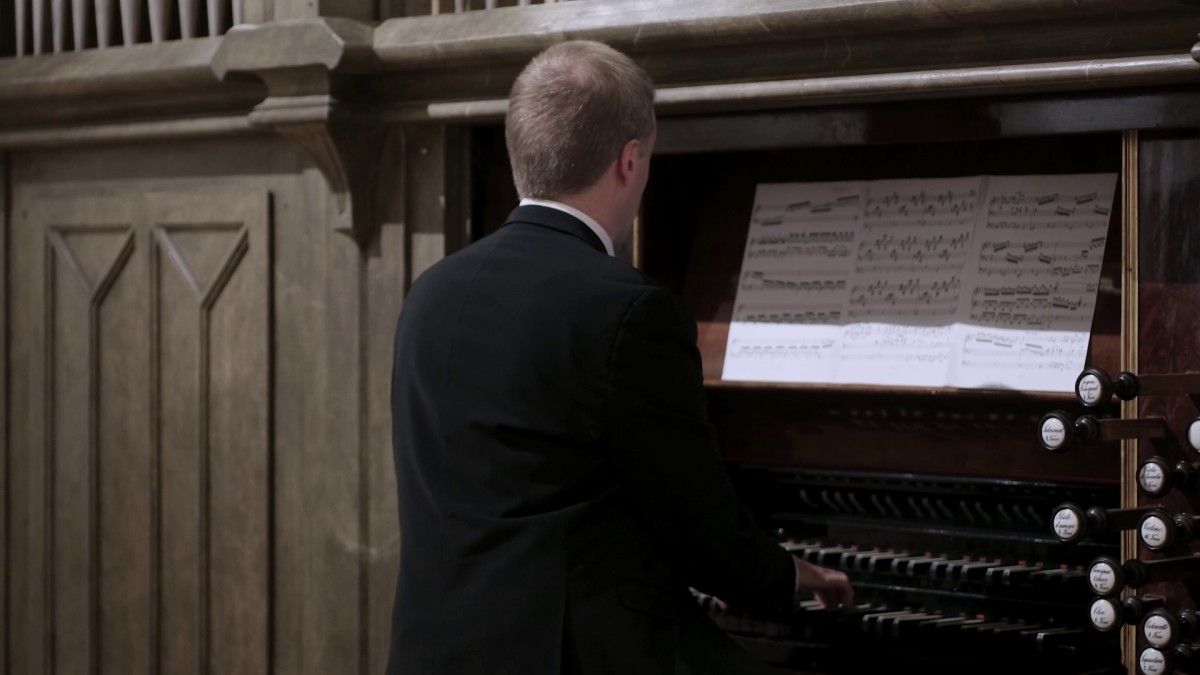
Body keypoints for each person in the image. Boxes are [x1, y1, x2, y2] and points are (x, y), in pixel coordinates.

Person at [386, 40, 853, 675]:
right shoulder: (630, 310)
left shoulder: (429, 294)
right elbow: (700, 534)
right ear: (629, 160)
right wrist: (786, 575)